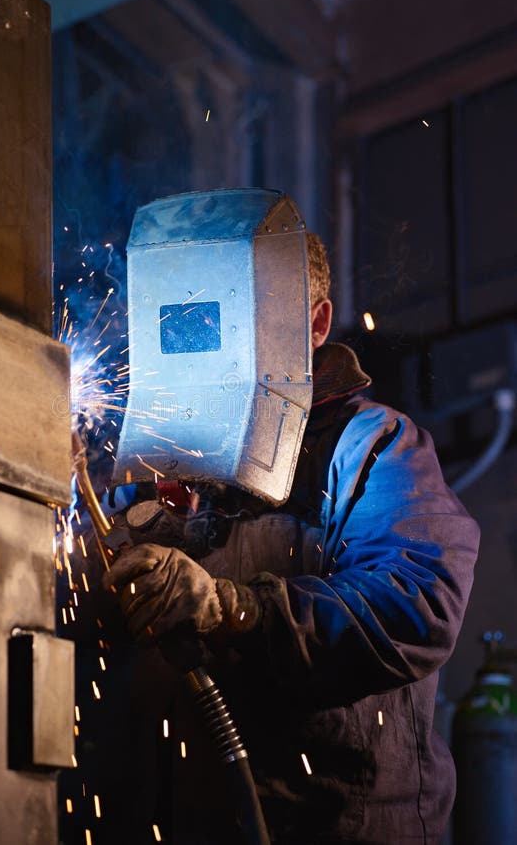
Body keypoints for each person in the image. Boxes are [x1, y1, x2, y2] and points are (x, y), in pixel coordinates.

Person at [86, 227, 481, 845]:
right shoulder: (152, 461)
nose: (207, 342)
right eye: (187, 320)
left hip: (340, 827)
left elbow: (418, 602)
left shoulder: (371, 445)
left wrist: (236, 608)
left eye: (230, 316)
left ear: (315, 323)